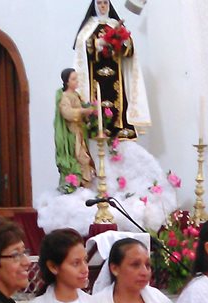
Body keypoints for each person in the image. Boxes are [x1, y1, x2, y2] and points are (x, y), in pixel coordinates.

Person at [72, 0, 150, 140]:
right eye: (100, 3)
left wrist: (121, 42)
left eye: (105, 3)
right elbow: (82, 49)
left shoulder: (115, 25)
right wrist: (97, 44)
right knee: (97, 108)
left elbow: (129, 50)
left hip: (116, 79)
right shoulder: (88, 28)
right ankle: (97, 128)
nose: (102, 6)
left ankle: (119, 129)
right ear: (95, 5)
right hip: (96, 80)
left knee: (119, 107)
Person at [54, 68, 96, 189]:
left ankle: (85, 185)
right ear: (66, 82)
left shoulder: (76, 95)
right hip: (72, 134)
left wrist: (91, 113)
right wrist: (83, 111)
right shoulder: (65, 96)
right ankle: (78, 185)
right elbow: (67, 113)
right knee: (80, 158)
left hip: (80, 132)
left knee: (85, 158)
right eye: (73, 79)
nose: (76, 81)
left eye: (76, 78)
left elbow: (83, 111)